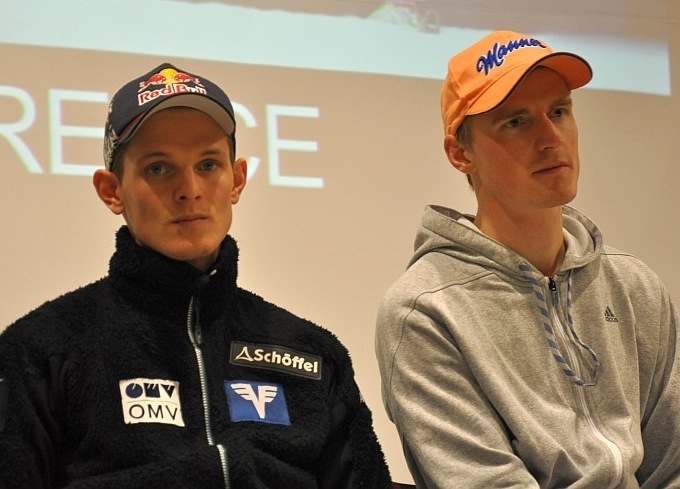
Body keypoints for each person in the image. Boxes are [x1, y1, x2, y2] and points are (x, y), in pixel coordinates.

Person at [0, 62, 391, 488]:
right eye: (158, 168)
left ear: (236, 181)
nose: (189, 189)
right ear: (112, 191)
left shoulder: (313, 355)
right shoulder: (42, 350)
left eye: (207, 164)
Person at [375, 30, 680, 488]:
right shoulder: (426, 311)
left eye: (559, 112)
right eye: (516, 122)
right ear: (460, 153)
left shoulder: (633, 284)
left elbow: (672, 463)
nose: (551, 138)